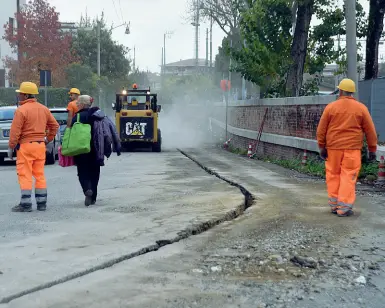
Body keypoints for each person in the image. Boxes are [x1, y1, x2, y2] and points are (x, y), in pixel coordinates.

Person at [316, 78, 377, 217]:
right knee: (348, 176)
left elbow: (321, 130)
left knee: (333, 175)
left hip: (333, 149)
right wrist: (372, 149)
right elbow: (370, 131)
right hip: (352, 149)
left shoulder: (331, 107)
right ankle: (343, 208)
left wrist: (322, 146)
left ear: (341, 91)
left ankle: (334, 205)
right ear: (352, 93)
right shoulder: (361, 108)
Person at [8, 81, 59, 212]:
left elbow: (15, 131)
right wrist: (48, 139)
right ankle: (42, 203)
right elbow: (55, 126)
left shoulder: (21, 110)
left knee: (25, 174)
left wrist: (11, 146)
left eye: (20, 94)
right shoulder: (43, 109)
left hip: (25, 146)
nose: (19, 96)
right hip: (40, 145)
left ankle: (25, 204)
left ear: (25, 95)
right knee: (39, 174)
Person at [72, 95, 121, 206]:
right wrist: (115, 146)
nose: (77, 105)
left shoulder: (78, 117)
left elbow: (70, 131)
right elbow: (111, 130)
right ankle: (93, 197)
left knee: (82, 172)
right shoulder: (99, 116)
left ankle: (87, 189)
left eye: (78, 103)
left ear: (83, 104)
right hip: (97, 149)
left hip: (81, 149)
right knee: (95, 173)